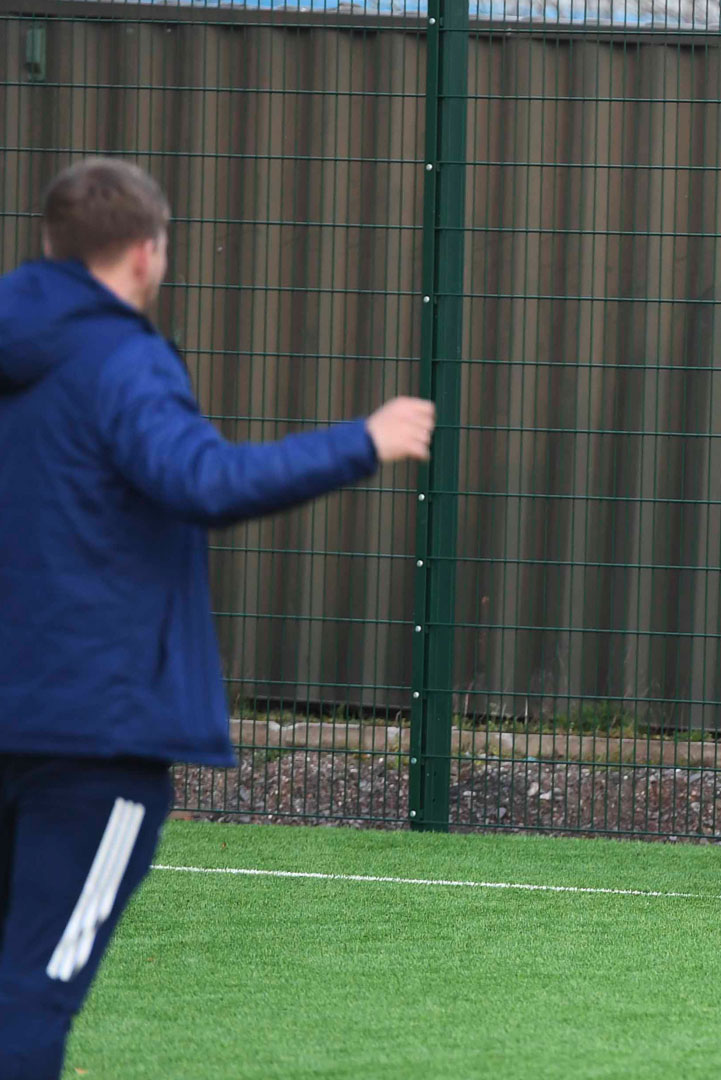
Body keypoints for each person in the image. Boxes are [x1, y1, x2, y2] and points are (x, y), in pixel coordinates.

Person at [0, 157, 436, 1079]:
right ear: (149, 254)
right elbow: (204, 480)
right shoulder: (121, 359)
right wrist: (362, 440)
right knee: (33, 995)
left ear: (48, 245)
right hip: (95, 740)